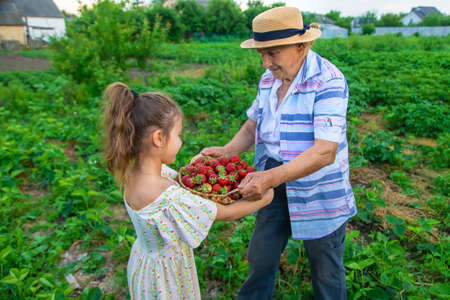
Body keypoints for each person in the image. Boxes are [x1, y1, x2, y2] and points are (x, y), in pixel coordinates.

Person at [201, 6, 356, 300]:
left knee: (326, 270)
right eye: (261, 53)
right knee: (261, 257)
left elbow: (324, 153)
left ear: (302, 45)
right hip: (271, 177)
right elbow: (252, 126)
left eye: (273, 52)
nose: (265, 62)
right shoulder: (269, 80)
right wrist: (226, 151)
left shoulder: (328, 81)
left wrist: (270, 177)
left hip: (318, 188)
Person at [101, 82, 274, 299]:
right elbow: (226, 213)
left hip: (145, 265)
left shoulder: (134, 172)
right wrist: (267, 197)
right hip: (167, 278)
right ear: (158, 138)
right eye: (179, 135)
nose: (181, 141)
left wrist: (195, 165)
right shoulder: (166, 194)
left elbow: (181, 183)